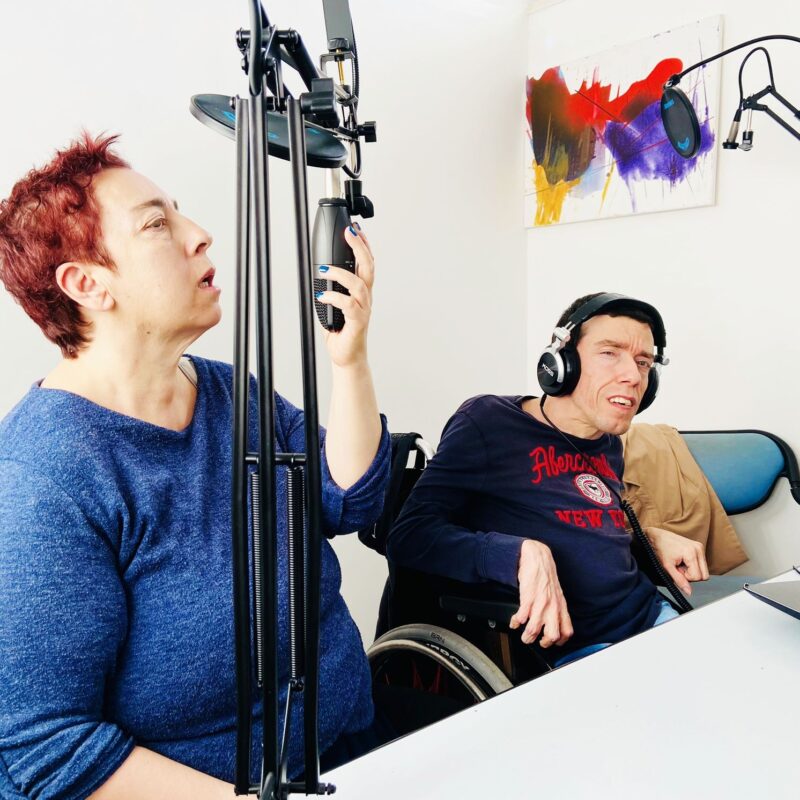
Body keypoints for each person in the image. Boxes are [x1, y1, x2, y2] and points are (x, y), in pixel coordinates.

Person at [0, 133, 390, 799]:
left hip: (355, 751)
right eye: (156, 224)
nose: (200, 234)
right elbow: (49, 745)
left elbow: (349, 497)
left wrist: (348, 359)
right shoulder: (43, 479)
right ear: (86, 284)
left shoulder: (229, 393)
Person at [387, 292, 709, 667]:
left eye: (643, 363)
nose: (633, 376)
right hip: (582, 651)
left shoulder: (608, 443)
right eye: (610, 353)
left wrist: (647, 539)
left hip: (652, 615)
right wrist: (518, 554)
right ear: (561, 361)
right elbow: (409, 536)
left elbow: (588, 538)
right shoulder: (488, 421)